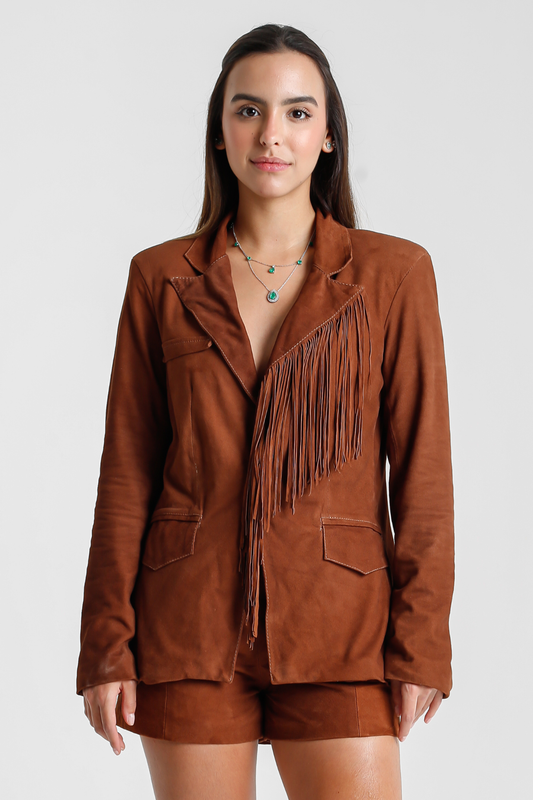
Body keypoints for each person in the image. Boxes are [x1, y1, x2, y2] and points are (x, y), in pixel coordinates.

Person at [77, 23, 454, 800]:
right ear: (220, 131)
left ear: (327, 135)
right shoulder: (161, 278)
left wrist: (421, 644)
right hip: (186, 624)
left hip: (341, 624)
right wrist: (105, 647)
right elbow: (127, 473)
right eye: (248, 110)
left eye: (297, 112)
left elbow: (423, 473)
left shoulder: (392, 274)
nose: (271, 133)